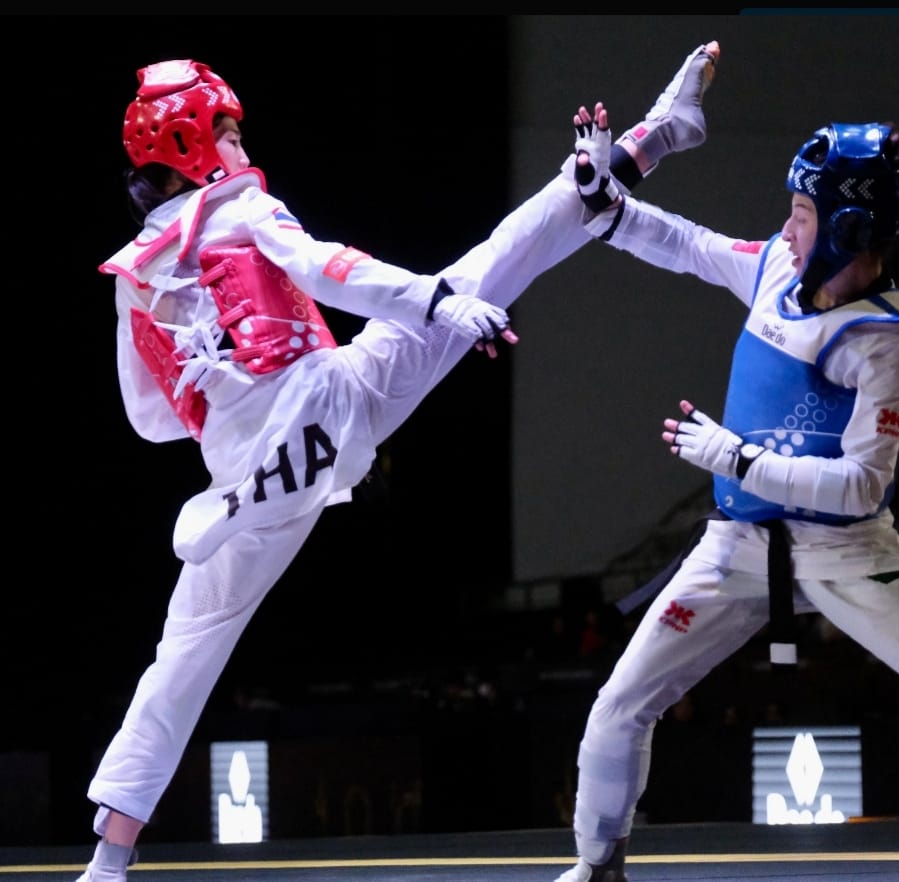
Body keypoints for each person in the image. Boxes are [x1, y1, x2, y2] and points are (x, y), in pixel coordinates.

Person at [75, 42, 721, 882]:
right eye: (227, 133)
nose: (240, 148)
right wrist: (434, 302)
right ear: (193, 146)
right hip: (323, 410)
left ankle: (107, 860)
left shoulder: (133, 276)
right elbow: (330, 267)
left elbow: (150, 420)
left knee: (187, 651)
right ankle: (640, 149)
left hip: (265, 463)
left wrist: (222, 390)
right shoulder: (240, 212)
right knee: (478, 271)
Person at [553, 97, 899, 881]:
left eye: (803, 212)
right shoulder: (773, 268)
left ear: (846, 228)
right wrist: (608, 202)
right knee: (619, 705)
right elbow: (688, 245)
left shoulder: (884, 339)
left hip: (846, 551)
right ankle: (599, 868)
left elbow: (863, 487)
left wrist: (739, 461)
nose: (789, 227)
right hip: (736, 547)